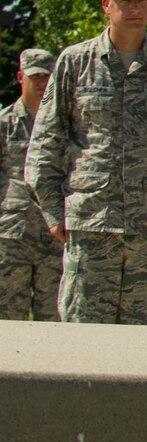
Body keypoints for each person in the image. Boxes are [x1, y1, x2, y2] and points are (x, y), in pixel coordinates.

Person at [26, 0, 147, 325]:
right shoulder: (75, 63)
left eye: (141, 0)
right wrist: (53, 212)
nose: (134, 8)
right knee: (84, 337)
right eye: (125, 1)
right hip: (91, 223)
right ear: (107, 5)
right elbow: (46, 141)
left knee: (142, 341)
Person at [0, 49, 58, 320]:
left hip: (54, 234)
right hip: (13, 235)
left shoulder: (64, 124)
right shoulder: (5, 123)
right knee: (9, 315)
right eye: (35, 77)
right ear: (20, 77)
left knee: (54, 317)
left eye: (47, 77)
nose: (41, 83)